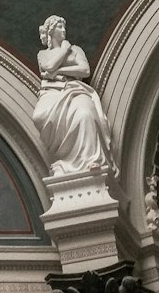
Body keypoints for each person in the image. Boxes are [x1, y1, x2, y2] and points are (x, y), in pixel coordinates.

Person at [33, 15, 116, 177]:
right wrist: (64, 50)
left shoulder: (76, 50)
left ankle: (91, 160)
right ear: (50, 31)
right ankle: (64, 158)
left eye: (64, 27)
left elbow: (84, 70)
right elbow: (48, 66)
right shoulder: (43, 54)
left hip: (76, 89)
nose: (63, 30)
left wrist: (59, 71)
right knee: (38, 116)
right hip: (52, 91)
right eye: (59, 27)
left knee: (85, 114)